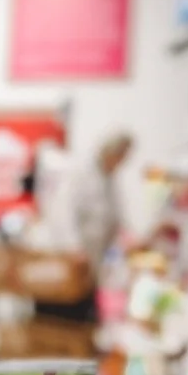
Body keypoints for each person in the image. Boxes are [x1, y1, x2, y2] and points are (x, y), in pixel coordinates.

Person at [33, 132, 134, 324]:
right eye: (121, 156)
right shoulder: (80, 172)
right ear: (111, 152)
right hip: (69, 259)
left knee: (83, 314)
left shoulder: (110, 181)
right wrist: (74, 247)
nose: (122, 162)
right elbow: (62, 211)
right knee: (60, 316)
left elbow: (117, 217)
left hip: (92, 262)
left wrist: (127, 238)